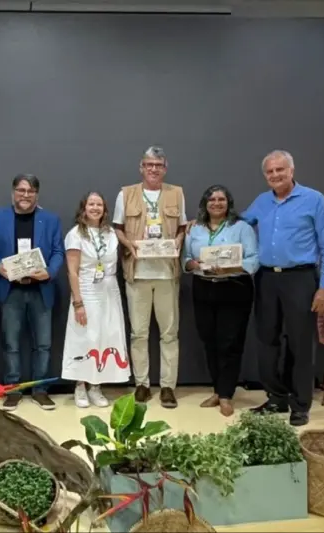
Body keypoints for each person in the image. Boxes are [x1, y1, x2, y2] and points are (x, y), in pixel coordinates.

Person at [242, 150, 324, 427]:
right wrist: (205, 223)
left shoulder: (313, 199)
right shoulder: (262, 201)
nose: (275, 175)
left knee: (300, 343)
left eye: (280, 170)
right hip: (266, 279)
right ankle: (276, 398)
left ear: (292, 170)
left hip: (300, 279)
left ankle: (300, 404)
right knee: (266, 341)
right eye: (270, 172)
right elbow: (240, 223)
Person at [0, 174, 65, 411]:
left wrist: (49, 272)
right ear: (13, 192)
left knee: (44, 345)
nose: (25, 195)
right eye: (21, 190)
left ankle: (40, 390)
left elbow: (58, 251)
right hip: (11, 291)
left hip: (41, 289)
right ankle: (12, 390)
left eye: (30, 191)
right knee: (11, 344)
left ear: (37, 194)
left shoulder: (50, 220)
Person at [113, 146, 187, 408]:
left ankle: (168, 386)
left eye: (158, 165)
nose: (153, 169)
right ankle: (142, 384)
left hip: (167, 273)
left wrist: (178, 243)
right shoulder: (126, 194)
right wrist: (129, 244)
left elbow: (182, 227)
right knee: (138, 333)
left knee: (169, 333)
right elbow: (118, 228)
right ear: (141, 167)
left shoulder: (176, 193)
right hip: (137, 273)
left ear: (165, 168)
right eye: (149, 164)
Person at [182, 185, 259, 417]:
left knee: (230, 343)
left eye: (221, 199)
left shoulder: (242, 228)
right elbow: (186, 259)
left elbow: (254, 259)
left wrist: (232, 267)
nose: (216, 203)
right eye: (212, 199)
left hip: (234, 288)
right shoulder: (194, 228)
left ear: (229, 203)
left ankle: (226, 394)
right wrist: (192, 264)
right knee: (209, 341)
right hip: (203, 288)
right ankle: (217, 390)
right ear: (205, 204)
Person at [62, 192, 131, 408]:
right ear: (83, 208)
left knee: (106, 337)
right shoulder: (75, 234)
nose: (95, 208)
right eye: (91, 204)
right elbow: (72, 272)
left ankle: (96, 386)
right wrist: (78, 303)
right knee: (85, 337)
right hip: (86, 291)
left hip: (109, 291)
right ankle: (80, 386)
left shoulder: (110, 234)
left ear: (105, 209)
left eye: (99, 204)